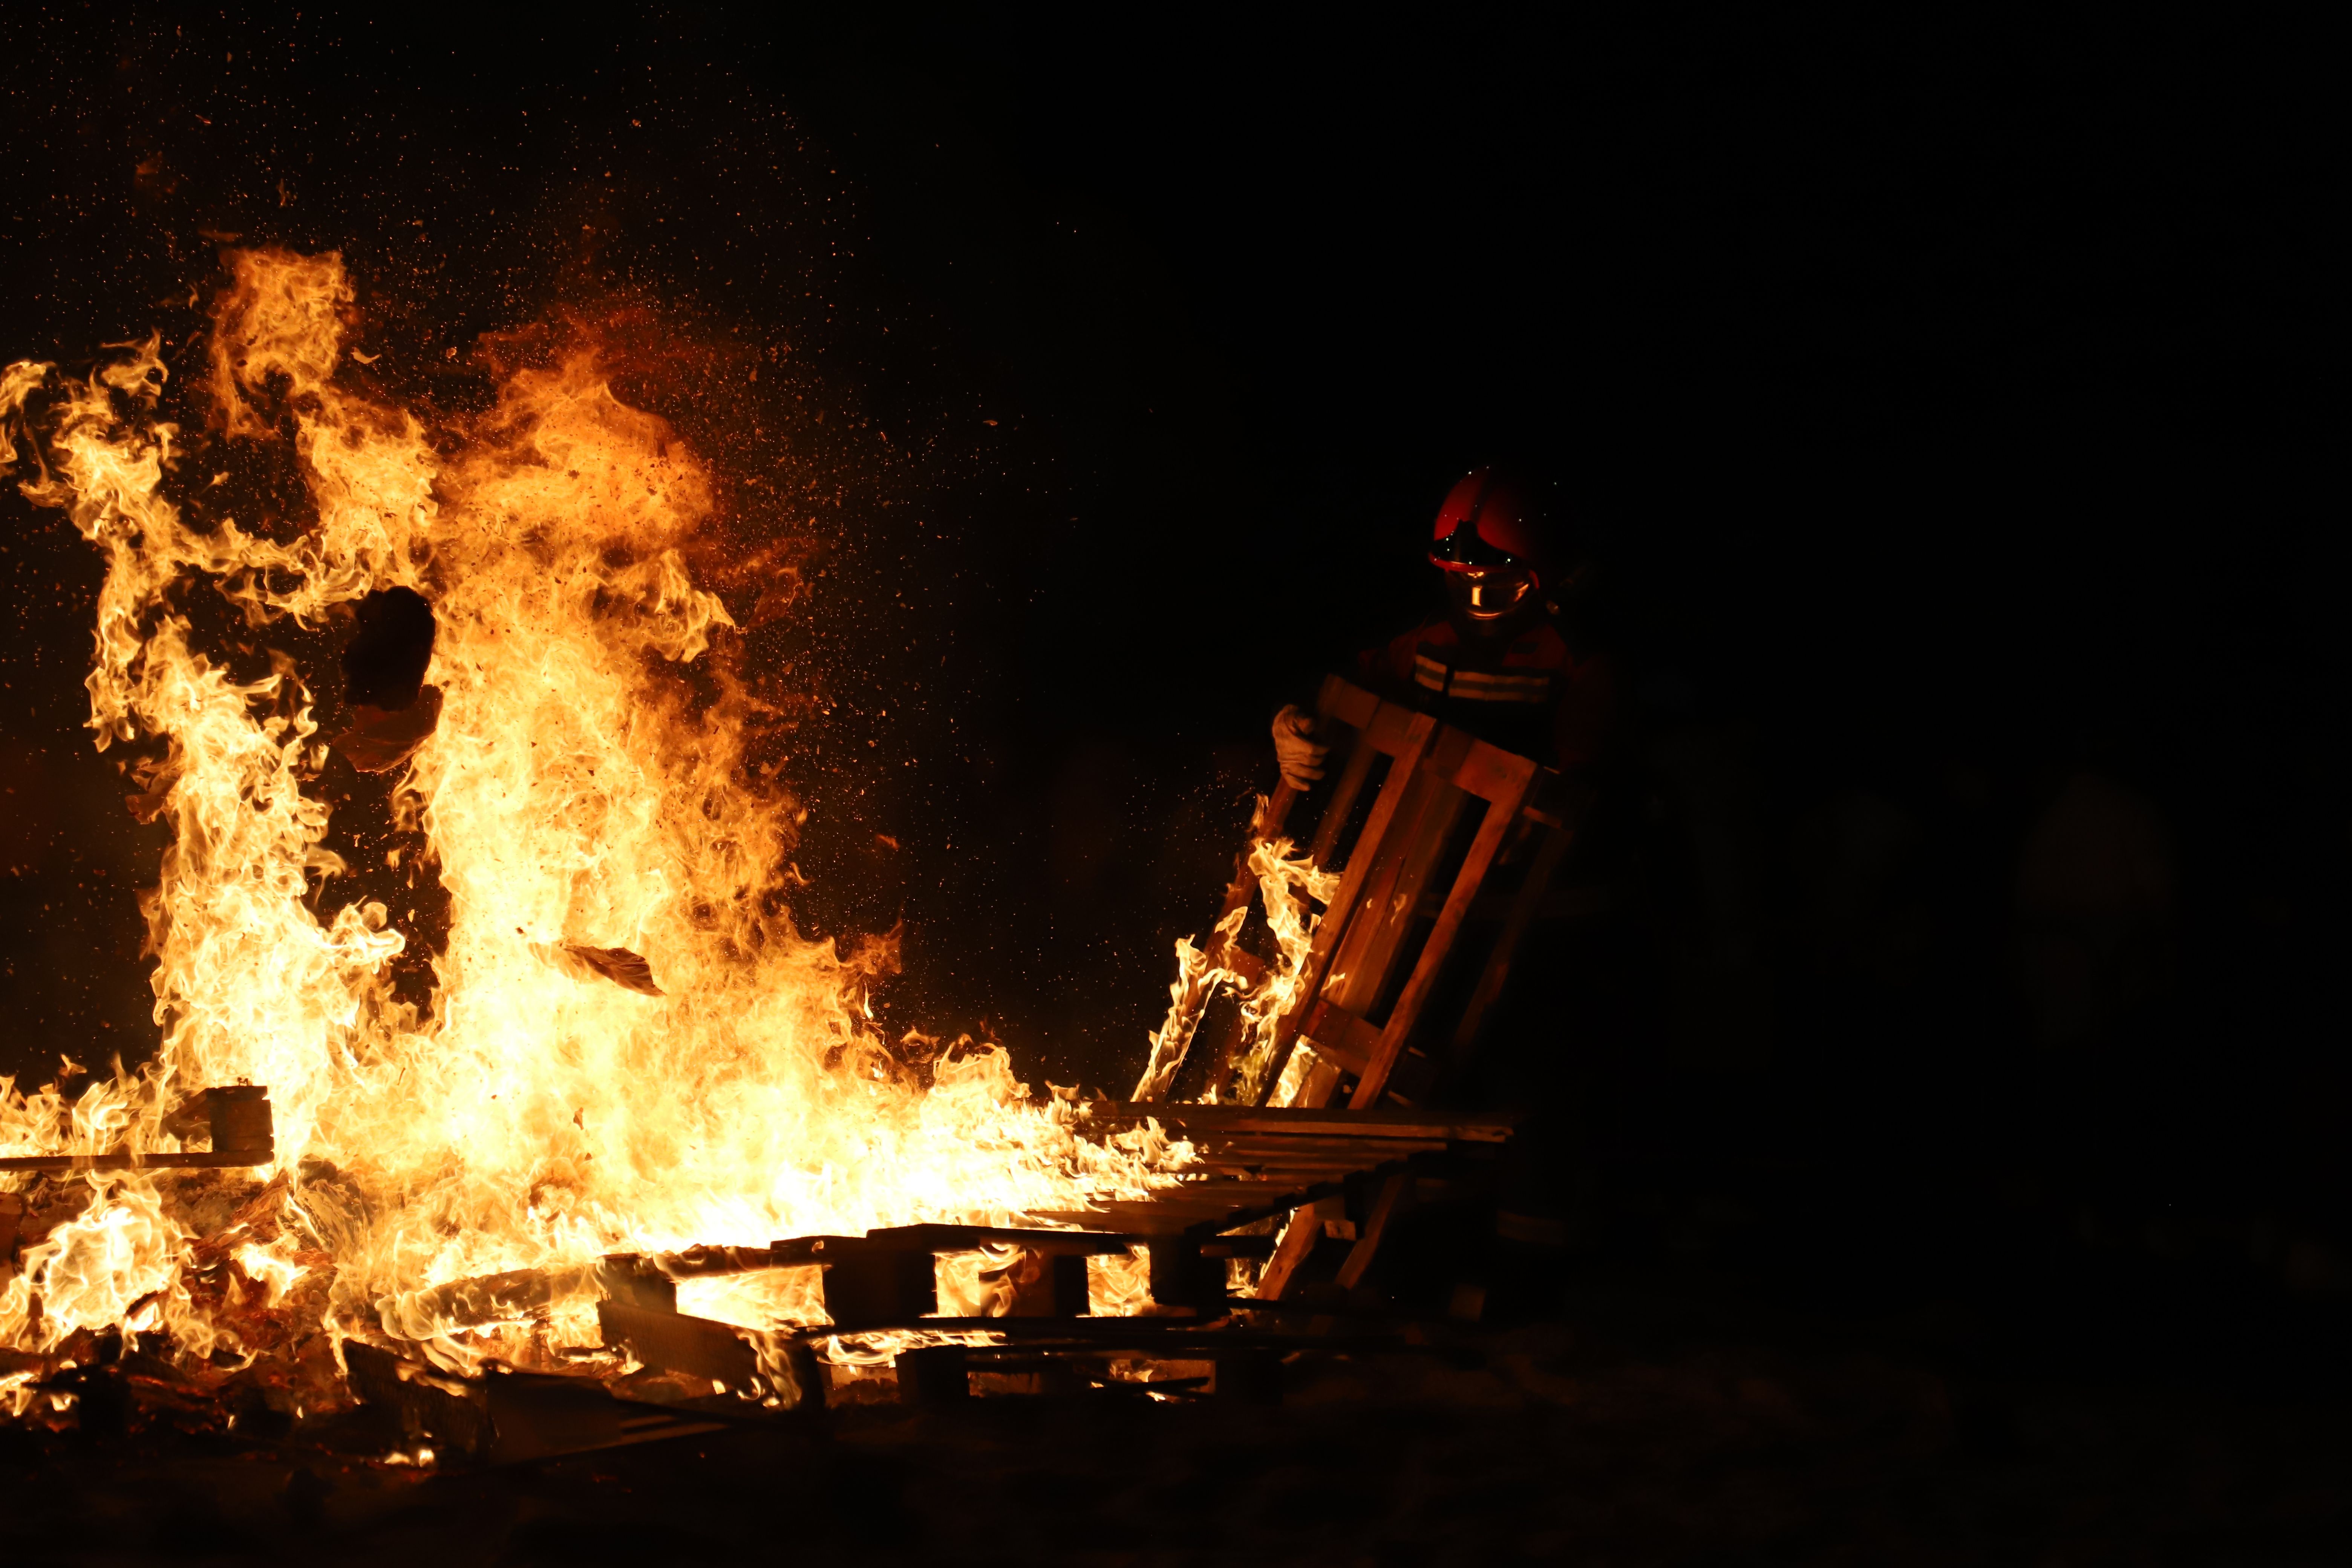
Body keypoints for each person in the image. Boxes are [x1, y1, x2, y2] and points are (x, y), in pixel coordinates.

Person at [1273, 466, 1612, 787]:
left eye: (1501, 587)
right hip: (1406, 829)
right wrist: (1293, 720)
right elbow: (1346, 687)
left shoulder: (1574, 664)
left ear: (1545, 577)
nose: (1478, 602)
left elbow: (1578, 794)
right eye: (1464, 581)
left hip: (1511, 842)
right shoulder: (1427, 640)